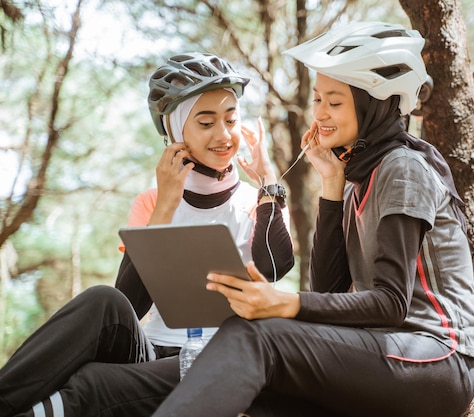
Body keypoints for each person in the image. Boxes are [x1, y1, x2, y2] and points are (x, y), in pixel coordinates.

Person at [151, 22, 474, 417]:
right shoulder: (357, 178)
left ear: (373, 103)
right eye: (317, 99)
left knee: (255, 337)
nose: (320, 114)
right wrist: (331, 184)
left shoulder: (403, 167)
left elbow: (392, 303)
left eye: (335, 101)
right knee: (264, 385)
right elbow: (329, 287)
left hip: (440, 355)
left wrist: (284, 302)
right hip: (389, 352)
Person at [0, 52, 294, 417]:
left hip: (223, 357)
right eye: (205, 123)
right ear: (175, 132)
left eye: (231, 120)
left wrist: (268, 183)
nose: (224, 135)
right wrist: (165, 209)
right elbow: (128, 304)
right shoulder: (151, 202)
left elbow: (275, 267)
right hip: (153, 351)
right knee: (101, 300)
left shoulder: (258, 201)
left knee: (91, 382)